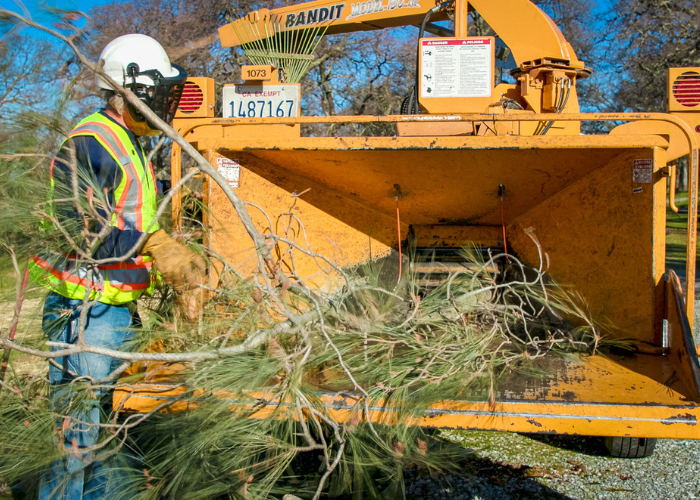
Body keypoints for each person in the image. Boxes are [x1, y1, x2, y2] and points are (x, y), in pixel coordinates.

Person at [29, 34, 206, 500]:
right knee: (78, 444)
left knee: (108, 440)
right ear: (134, 89)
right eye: (162, 95)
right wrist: (152, 243)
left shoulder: (126, 141)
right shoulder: (93, 142)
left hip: (112, 311)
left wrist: (164, 244)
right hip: (85, 314)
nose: (167, 105)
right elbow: (78, 229)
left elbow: (126, 217)